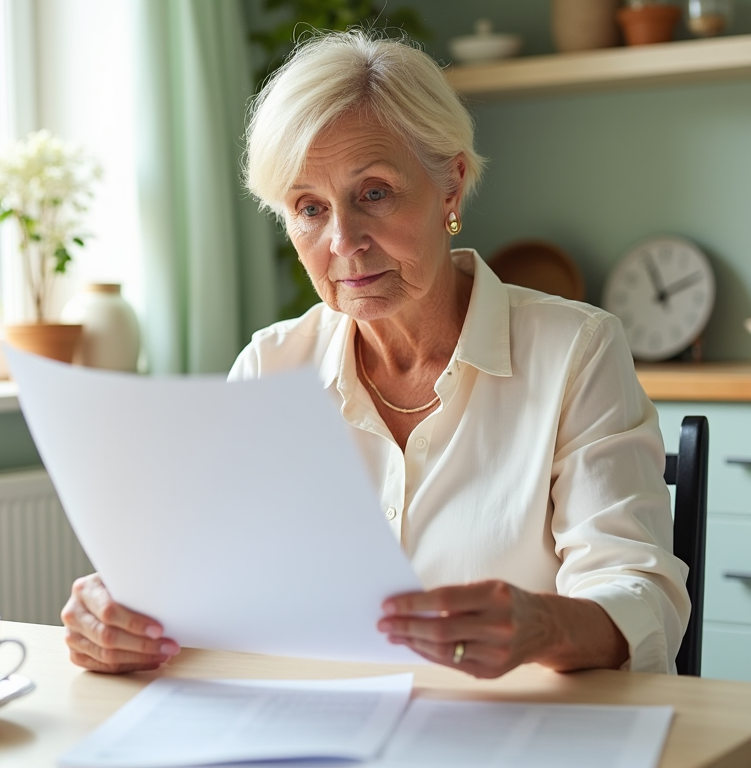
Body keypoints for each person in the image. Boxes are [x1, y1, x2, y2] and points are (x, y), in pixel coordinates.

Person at [61, 30, 691, 678]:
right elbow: (193, 585)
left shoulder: (575, 352)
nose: (344, 242)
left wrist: (543, 626)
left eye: (375, 193)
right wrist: (118, 617)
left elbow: (641, 593)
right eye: (309, 207)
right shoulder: (271, 368)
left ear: (451, 187)